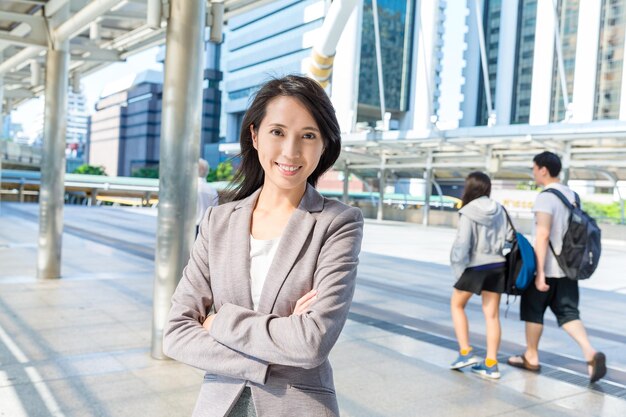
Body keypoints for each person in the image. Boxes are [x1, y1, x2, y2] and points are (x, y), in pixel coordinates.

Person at [163, 75, 364, 417]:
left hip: (299, 407)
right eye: (278, 132)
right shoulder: (218, 221)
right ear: (255, 135)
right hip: (218, 406)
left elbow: (311, 343)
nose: (291, 151)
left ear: (325, 144)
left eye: (308, 136)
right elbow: (176, 334)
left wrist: (217, 322)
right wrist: (276, 343)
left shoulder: (338, 222)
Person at [507, 151, 607, 383]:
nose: (533, 172)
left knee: (533, 311)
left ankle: (531, 356)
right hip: (568, 269)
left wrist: (539, 274)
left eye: (534, 168)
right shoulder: (572, 195)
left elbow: (542, 235)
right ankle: (589, 353)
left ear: (543, 169)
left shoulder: (546, 198)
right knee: (568, 313)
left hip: (547, 268)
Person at [449, 171, 512, 379]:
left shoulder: (468, 211)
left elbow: (462, 244)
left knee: (457, 305)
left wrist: (459, 271)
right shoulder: (500, 209)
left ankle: (465, 352)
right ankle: (491, 364)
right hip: (497, 265)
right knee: (491, 314)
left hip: (476, 266)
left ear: (470, 188)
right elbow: (511, 237)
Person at [196, 158, 219, 237]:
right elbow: (215, 212)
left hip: (190, 228)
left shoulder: (189, 188)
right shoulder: (212, 190)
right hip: (206, 229)